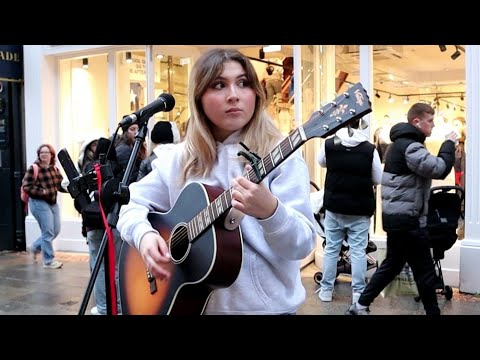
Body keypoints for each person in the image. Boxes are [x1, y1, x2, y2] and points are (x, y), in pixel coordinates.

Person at [117, 48, 316, 315]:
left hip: (266, 310)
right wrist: (144, 236)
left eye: (243, 83)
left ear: (256, 93)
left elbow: (302, 245)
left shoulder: (281, 156)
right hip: (188, 306)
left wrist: (271, 211)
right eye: (219, 85)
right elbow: (131, 205)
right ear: (199, 98)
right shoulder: (179, 158)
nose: (234, 94)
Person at [346, 103, 457, 315]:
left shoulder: (399, 145)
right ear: (417, 121)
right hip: (409, 220)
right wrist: (449, 144)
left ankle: (359, 305)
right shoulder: (411, 147)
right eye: (430, 121)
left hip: (398, 218)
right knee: (424, 270)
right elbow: (439, 169)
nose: (433, 126)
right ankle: (433, 312)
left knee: (393, 265)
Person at [317, 119, 382, 304]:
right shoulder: (370, 149)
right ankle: (358, 294)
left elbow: (321, 162)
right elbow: (377, 178)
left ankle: (326, 291)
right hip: (360, 210)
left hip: (334, 207)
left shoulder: (329, 144)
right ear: (361, 125)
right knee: (358, 252)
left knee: (331, 249)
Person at [79, 137, 124, 315]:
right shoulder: (119, 169)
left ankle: (104, 307)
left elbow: (80, 197)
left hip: (92, 222)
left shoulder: (88, 168)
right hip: (114, 221)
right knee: (117, 266)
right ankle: (120, 306)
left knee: (98, 267)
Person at [22, 144, 67, 269]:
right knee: (47, 232)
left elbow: (60, 186)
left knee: (55, 230)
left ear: (51, 155)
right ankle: (48, 261)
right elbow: (26, 186)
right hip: (38, 202)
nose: (44, 155)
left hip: (52, 202)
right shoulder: (34, 168)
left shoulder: (55, 169)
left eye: (46, 152)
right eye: (42, 152)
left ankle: (35, 247)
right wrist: (43, 192)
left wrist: (72, 189)